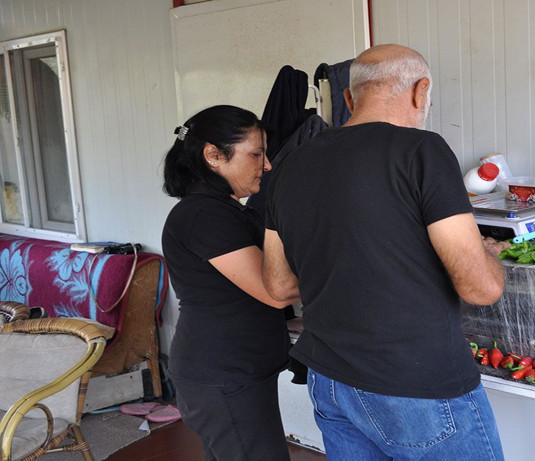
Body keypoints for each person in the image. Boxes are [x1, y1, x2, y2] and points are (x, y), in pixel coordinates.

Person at [262, 45, 506, 460]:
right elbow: (480, 289)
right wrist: (489, 257)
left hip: (330, 379)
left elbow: (279, 285)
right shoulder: (422, 151)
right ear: (421, 91)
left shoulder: (290, 165)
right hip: (414, 382)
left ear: (349, 99)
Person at [161, 105, 299, 461]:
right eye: (256, 154)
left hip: (233, 372)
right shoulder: (204, 215)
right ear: (213, 156)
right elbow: (276, 291)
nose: (266, 165)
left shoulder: (228, 209)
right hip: (221, 375)